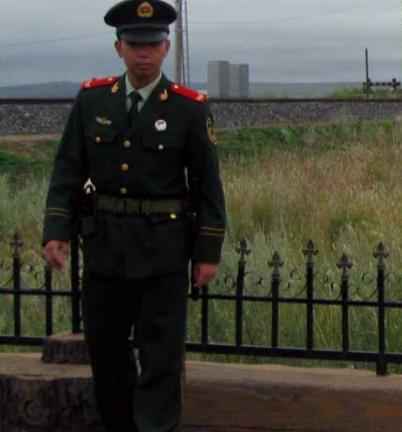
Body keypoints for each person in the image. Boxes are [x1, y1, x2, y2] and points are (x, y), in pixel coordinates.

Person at [41, 1, 226, 430]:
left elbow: (207, 186)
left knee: (161, 354)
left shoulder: (189, 108)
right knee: (106, 353)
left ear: (165, 49)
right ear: (118, 48)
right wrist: (57, 230)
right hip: (105, 247)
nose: (143, 53)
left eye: (152, 45)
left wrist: (207, 252)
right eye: (134, 44)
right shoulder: (92, 100)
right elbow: (68, 170)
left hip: (163, 249)